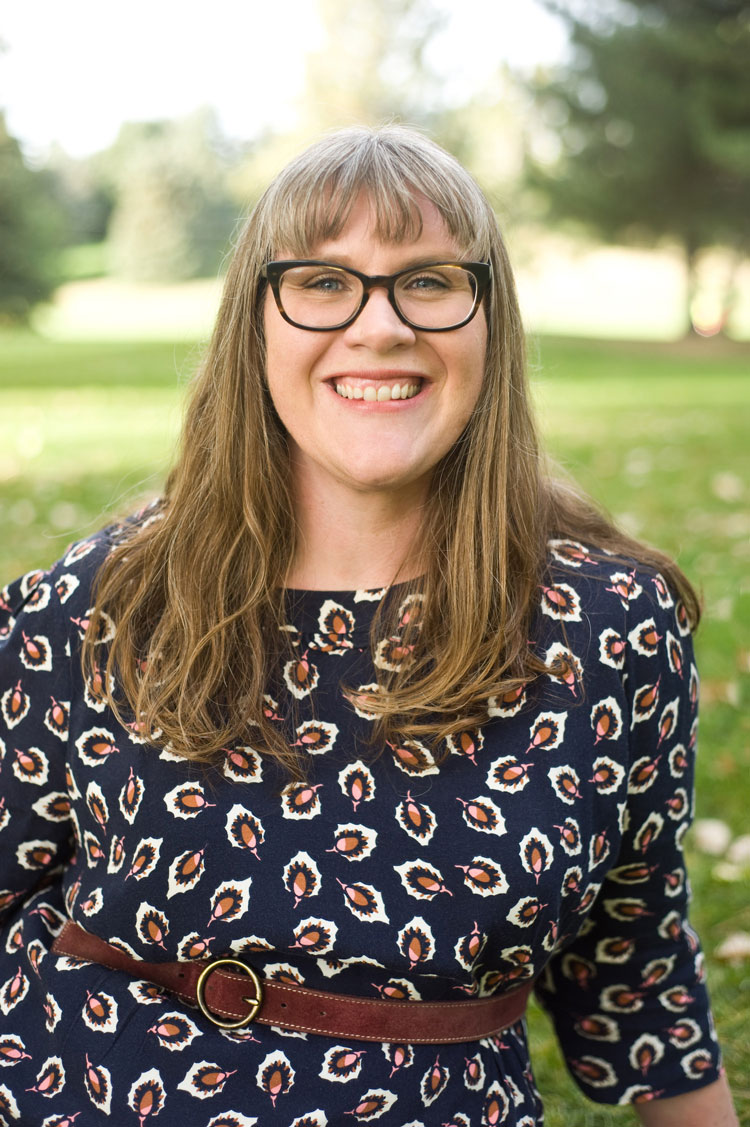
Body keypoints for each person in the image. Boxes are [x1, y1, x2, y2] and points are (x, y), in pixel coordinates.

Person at [0, 125, 737, 1126]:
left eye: (429, 281)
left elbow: (633, 973)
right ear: (254, 322)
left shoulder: (608, 629)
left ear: (491, 322)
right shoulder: (98, 606)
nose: (378, 326)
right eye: (323, 281)